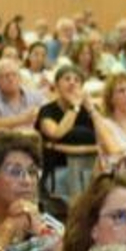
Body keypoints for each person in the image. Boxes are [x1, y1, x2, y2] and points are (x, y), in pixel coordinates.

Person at [36, 64, 101, 205]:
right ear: (57, 86)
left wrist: (91, 109)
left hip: (92, 168)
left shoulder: (89, 110)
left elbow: (105, 138)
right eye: (67, 79)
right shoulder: (47, 110)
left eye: (77, 80)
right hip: (59, 171)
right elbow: (56, 134)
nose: (72, 83)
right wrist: (74, 107)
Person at [0, 56, 45, 132]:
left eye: (14, 74)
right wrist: (24, 118)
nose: (11, 79)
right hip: (6, 141)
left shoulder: (36, 96)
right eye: (6, 76)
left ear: (20, 78)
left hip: (35, 140)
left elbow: (49, 114)